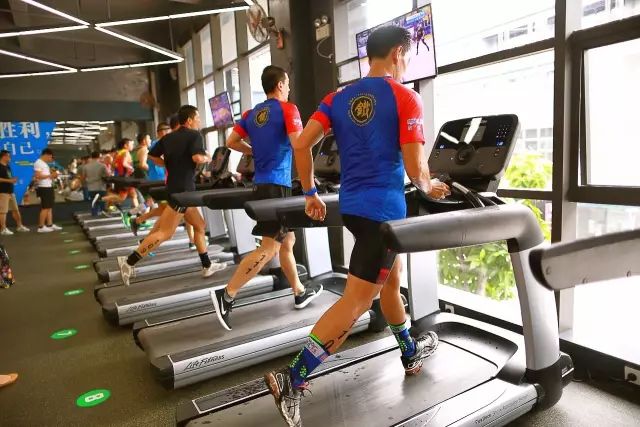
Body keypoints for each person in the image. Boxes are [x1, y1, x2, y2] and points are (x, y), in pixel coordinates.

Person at [263, 26, 451, 426]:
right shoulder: (406, 97)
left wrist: (310, 192)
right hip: (384, 212)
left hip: (352, 207)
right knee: (357, 300)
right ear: (398, 53)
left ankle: (409, 352)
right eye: (407, 56)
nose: (406, 63)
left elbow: (301, 144)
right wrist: (430, 185)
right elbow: (416, 167)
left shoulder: (338, 97)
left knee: (390, 282)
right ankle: (292, 379)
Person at [210, 65, 323, 331]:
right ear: (281, 84)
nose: (289, 87)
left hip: (261, 185)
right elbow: (299, 145)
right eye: (287, 83)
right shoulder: (288, 109)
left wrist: (254, 150)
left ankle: (299, 291)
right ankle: (227, 294)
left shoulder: (251, 114)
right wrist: (310, 188)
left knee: (287, 241)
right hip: (277, 186)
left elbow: (231, 141)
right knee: (270, 247)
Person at [117, 105, 226, 285]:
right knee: (165, 233)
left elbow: (152, 156)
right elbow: (197, 158)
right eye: (197, 118)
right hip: (184, 191)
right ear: (189, 120)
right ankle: (128, 262)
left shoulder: (168, 137)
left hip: (175, 187)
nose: (199, 122)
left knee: (199, 226)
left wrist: (167, 164)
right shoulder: (195, 135)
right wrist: (208, 158)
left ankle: (207, 265)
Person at [0, 151, 29, 235]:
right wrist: (9, 180)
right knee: (3, 211)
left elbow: (9, 178)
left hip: (10, 191)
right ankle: (3, 229)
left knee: (15, 210)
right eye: (9, 156)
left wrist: (12, 180)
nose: (10, 158)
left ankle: (19, 226)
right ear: (4, 156)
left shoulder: (7, 166)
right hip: (2, 192)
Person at [33, 148, 62, 233]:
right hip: (44, 187)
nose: (50, 159)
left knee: (49, 207)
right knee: (45, 207)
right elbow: (37, 176)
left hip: (48, 186)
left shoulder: (44, 163)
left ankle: (50, 224)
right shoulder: (38, 163)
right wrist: (51, 175)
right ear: (46, 155)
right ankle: (41, 227)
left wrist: (53, 175)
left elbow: (46, 175)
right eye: (50, 157)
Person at [84, 151, 109, 216]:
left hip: (91, 188)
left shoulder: (86, 166)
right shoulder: (102, 165)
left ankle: (94, 216)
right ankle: (104, 215)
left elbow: (84, 177)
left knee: (94, 203)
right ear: (99, 157)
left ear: (91, 157)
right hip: (101, 187)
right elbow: (108, 175)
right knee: (102, 203)